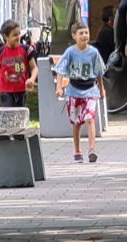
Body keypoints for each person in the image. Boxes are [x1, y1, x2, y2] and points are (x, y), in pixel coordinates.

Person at [54, 23, 106, 163]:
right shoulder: (70, 52)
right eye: (81, 33)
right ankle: (77, 151)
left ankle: (92, 149)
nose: (84, 36)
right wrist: (59, 87)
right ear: (74, 36)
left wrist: (101, 89)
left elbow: (99, 72)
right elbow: (60, 70)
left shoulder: (93, 52)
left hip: (90, 90)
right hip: (74, 90)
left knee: (90, 119)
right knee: (76, 123)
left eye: (86, 33)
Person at [0, 19, 38, 107]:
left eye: (19, 33)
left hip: (22, 90)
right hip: (6, 92)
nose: (18, 37)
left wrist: (32, 79)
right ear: (5, 36)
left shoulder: (26, 50)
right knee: (8, 113)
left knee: (21, 114)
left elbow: (34, 68)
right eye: (14, 35)